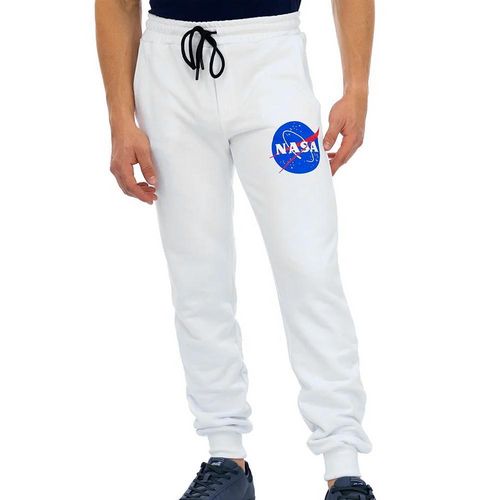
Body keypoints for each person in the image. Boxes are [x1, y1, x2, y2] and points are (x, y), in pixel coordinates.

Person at [96, 0, 376, 498]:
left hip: (271, 61)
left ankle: (343, 464)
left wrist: (356, 88)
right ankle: (225, 456)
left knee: (308, 264)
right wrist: (120, 117)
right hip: (169, 68)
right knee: (197, 272)